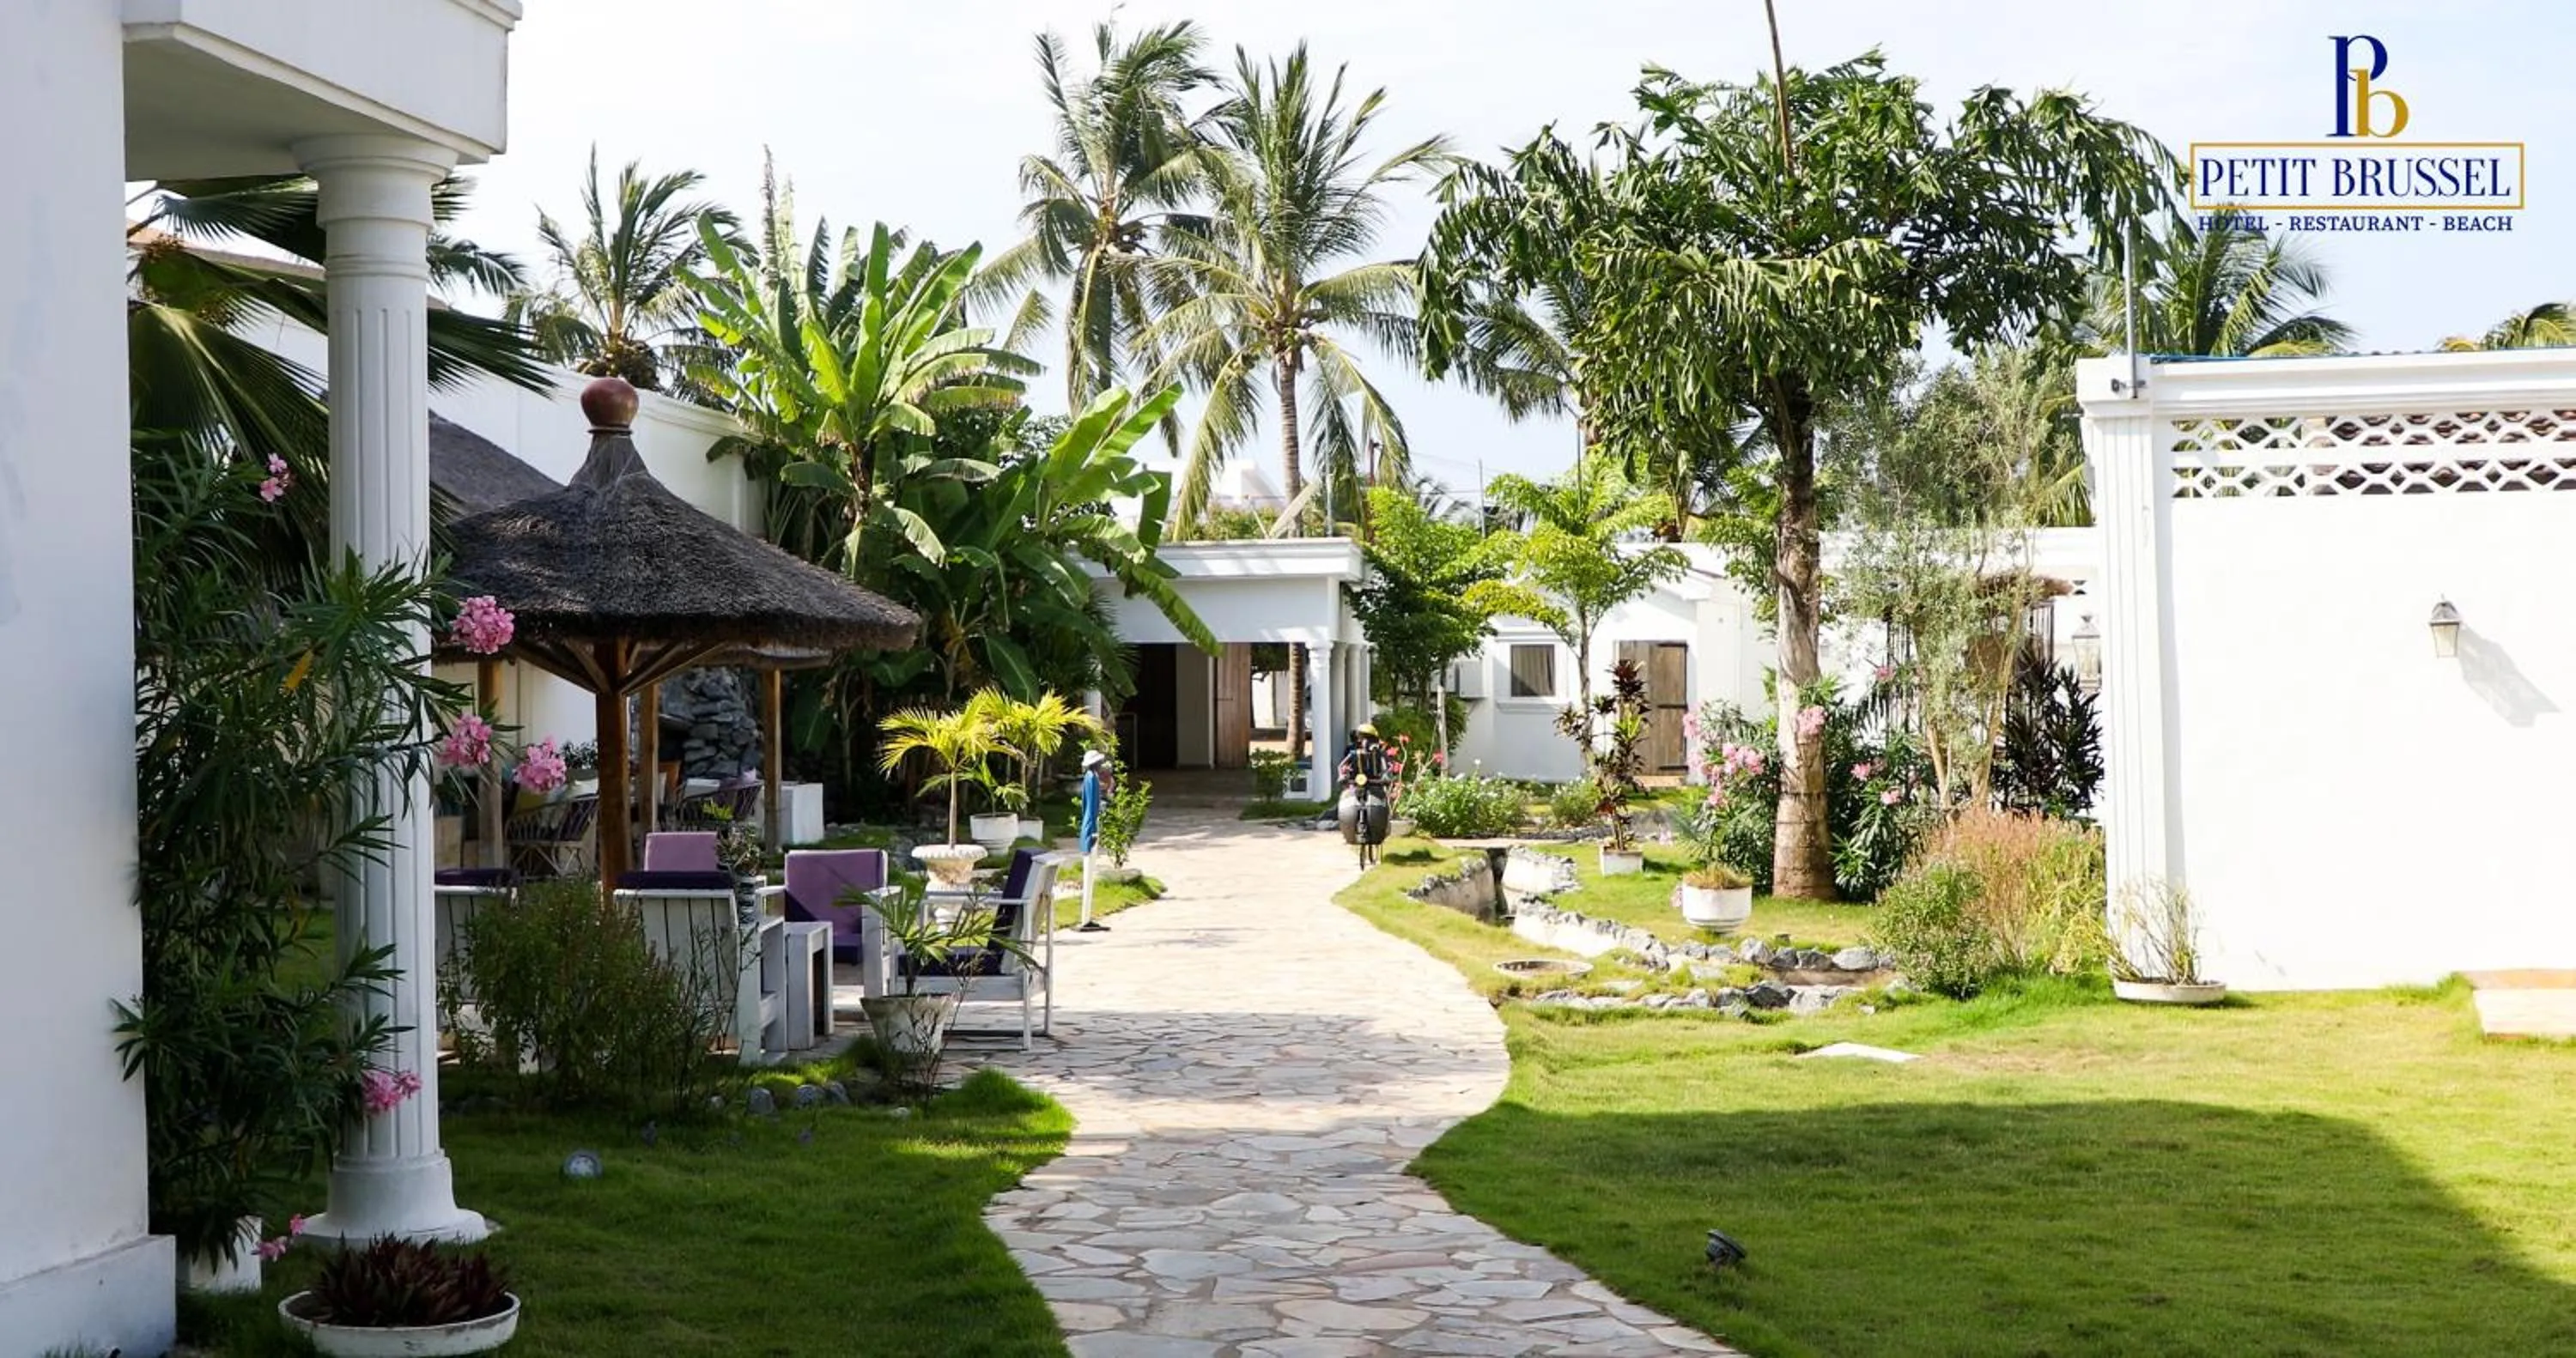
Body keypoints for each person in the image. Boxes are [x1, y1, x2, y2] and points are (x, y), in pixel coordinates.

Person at [1076, 749, 1110, 932]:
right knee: (1088, 875)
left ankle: (1087, 917)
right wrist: (1093, 832)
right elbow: (1091, 809)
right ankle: (1085, 919)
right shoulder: (1092, 779)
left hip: (1090, 828)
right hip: (1091, 830)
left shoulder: (1091, 778)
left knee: (1090, 876)